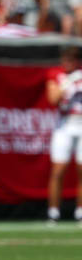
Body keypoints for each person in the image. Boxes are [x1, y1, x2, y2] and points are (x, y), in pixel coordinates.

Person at [47, 47, 82, 224]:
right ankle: (53, 212)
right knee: (58, 171)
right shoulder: (56, 74)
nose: (66, 63)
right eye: (65, 59)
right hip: (65, 125)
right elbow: (53, 99)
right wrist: (68, 82)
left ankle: (80, 212)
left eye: (71, 59)